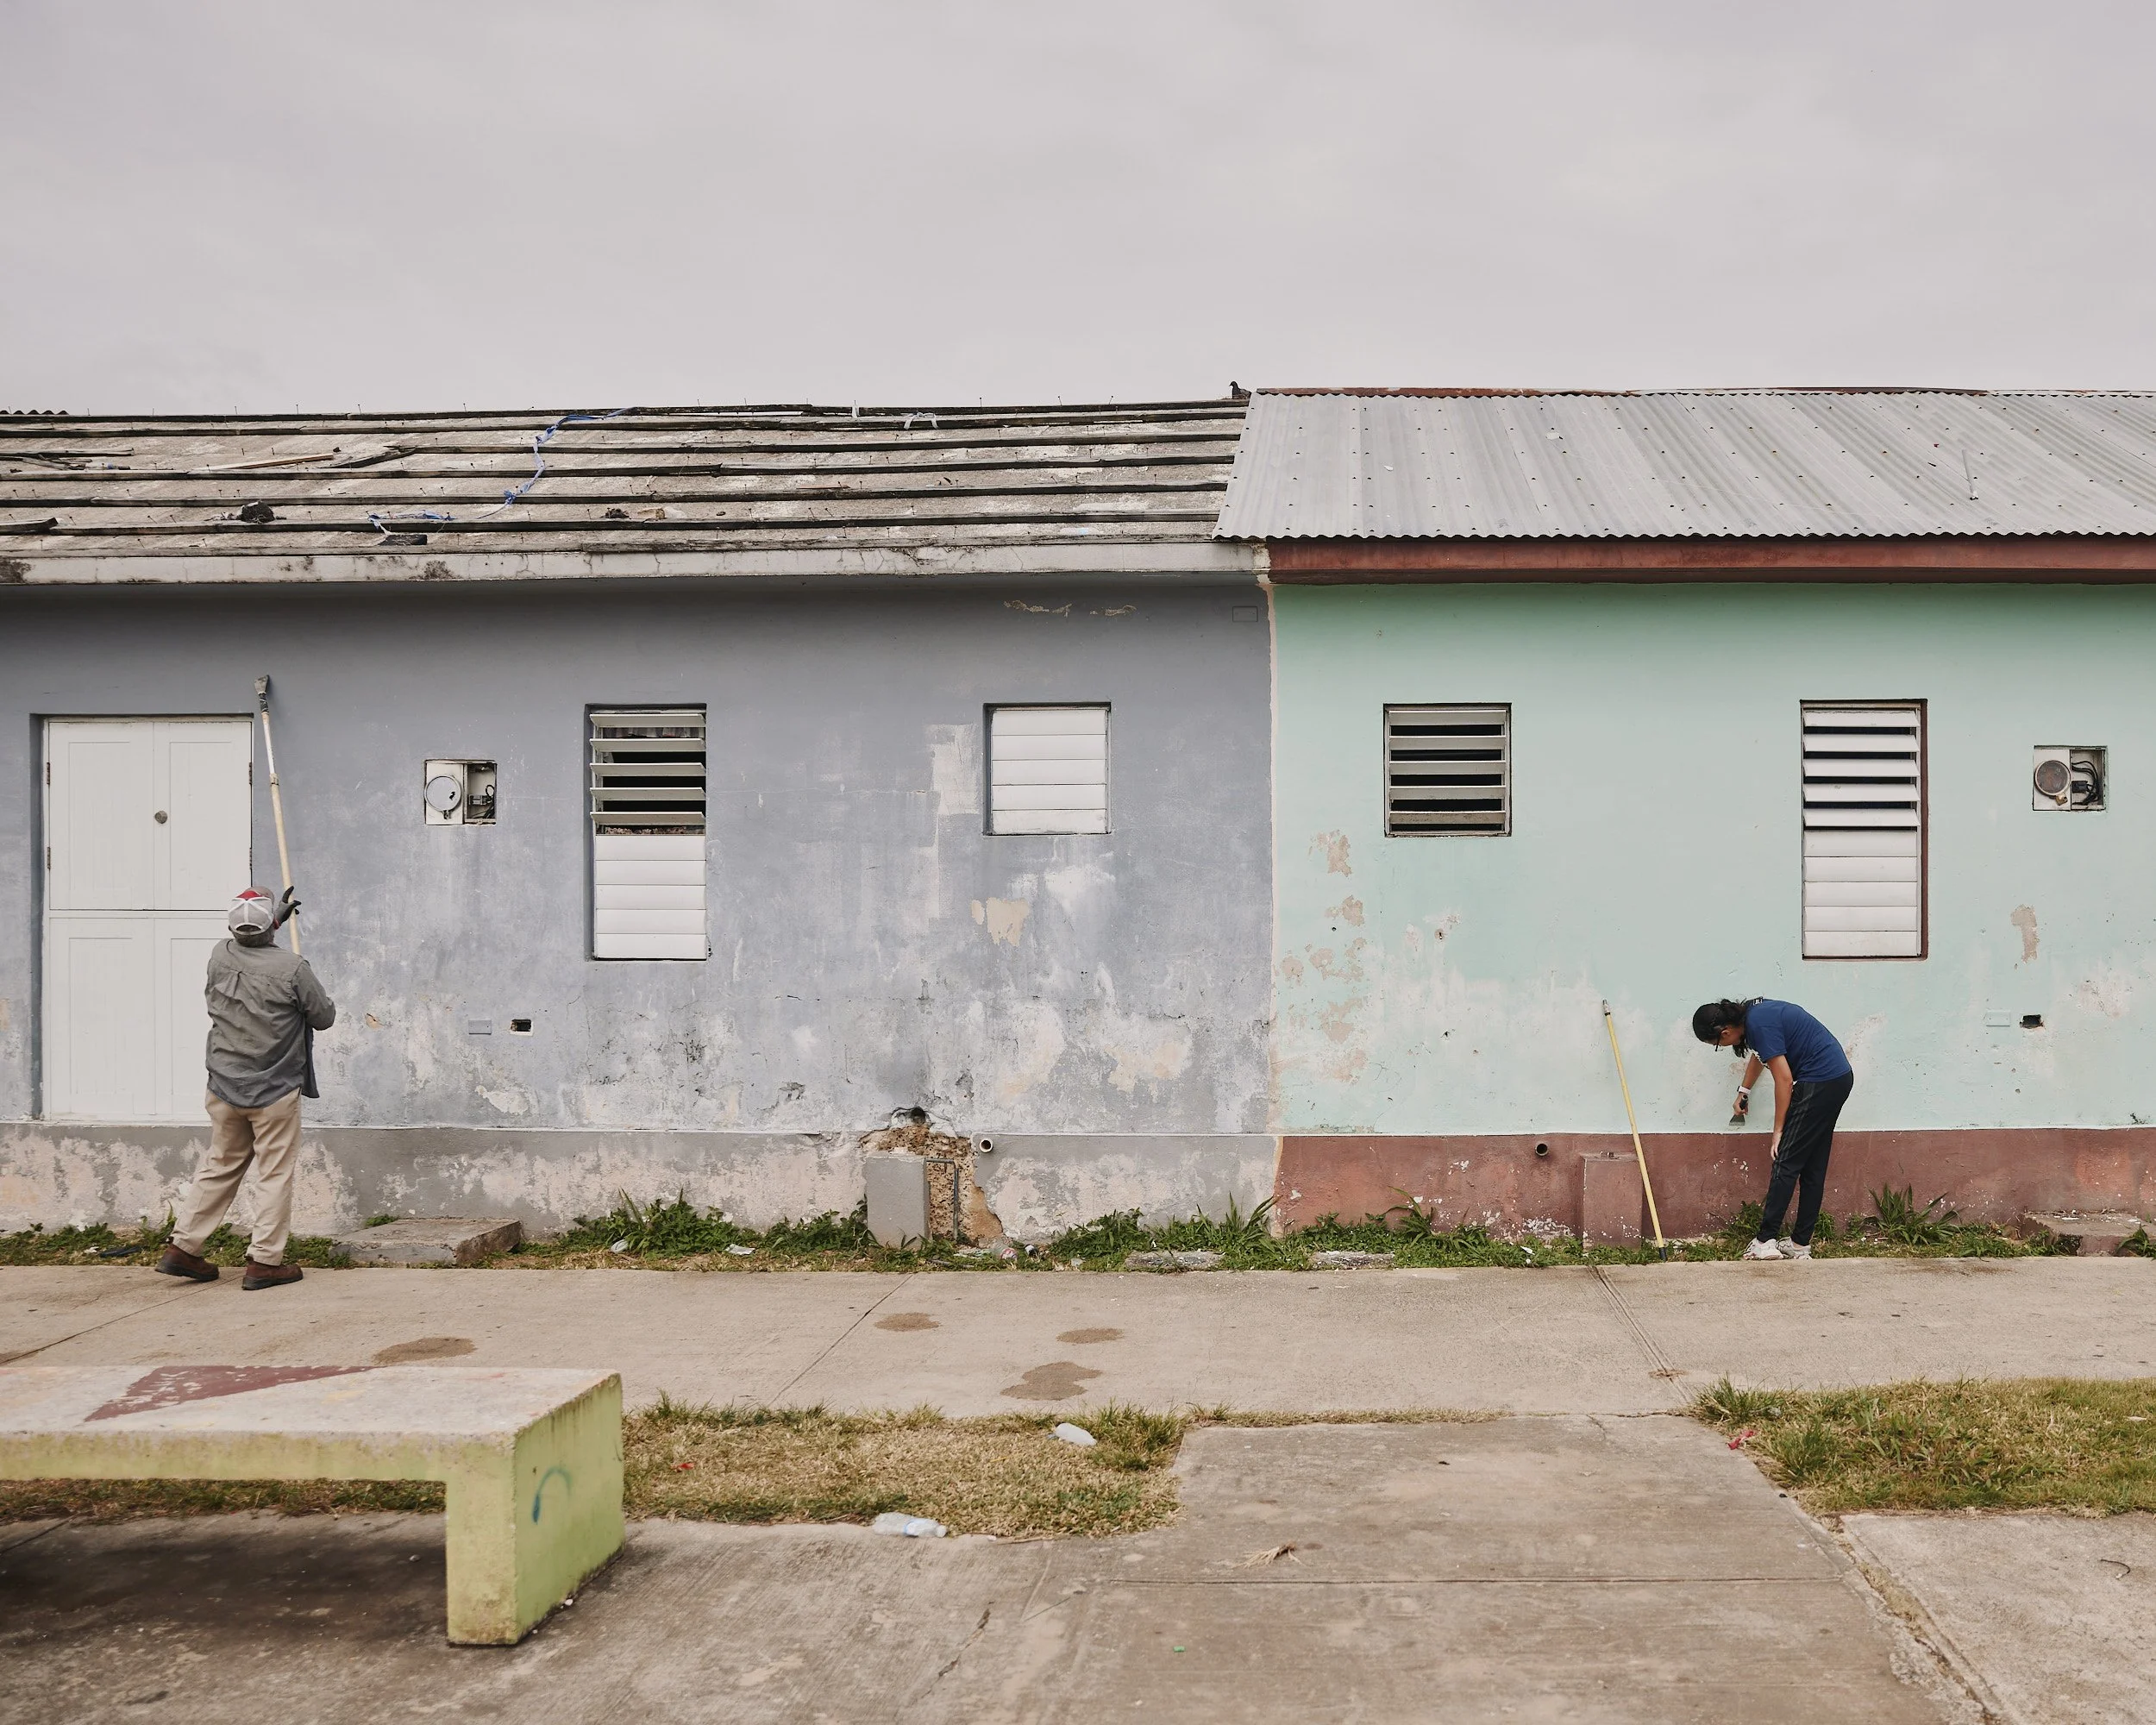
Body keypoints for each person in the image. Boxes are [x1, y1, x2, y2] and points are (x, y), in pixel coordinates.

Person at [157, 886, 335, 1290]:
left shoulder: (220, 954)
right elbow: (323, 1017)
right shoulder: (292, 968)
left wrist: (272, 923)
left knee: (220, 1164)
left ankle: (184, 1247)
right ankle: (264, 1262)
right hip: (273, 1089)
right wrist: (280, 935)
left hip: (223, 1085)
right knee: (273, 1173)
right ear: (268, 923)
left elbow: (249, 941)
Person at [1691, 997, 1853, 1262]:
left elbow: (1785, 1079)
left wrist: (1778, 1130)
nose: (1722, 1046)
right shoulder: (1754, 1015)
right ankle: (1800, 1245)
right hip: (1836, 1079)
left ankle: (1765, 1241)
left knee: (1785, 1162)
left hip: (1818, 1081)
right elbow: (1761, 1055)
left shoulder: (1759, 1025)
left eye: (1717, 1045)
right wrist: (1744, 1090)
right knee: (1813, 1166)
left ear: (1725, 1033)